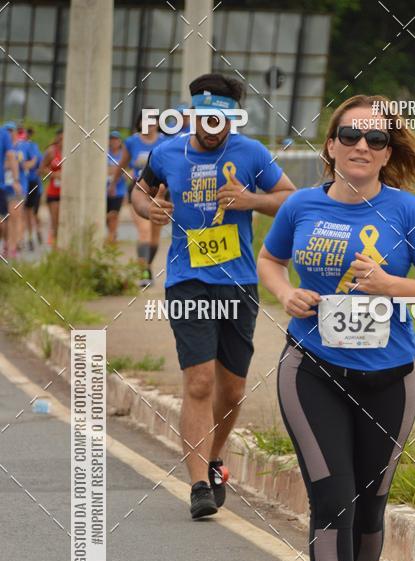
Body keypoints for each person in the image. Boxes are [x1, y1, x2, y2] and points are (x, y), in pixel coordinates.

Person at [258, 95, 415, 561]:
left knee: (370, 507)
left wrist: (390, 285)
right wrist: (285, 293)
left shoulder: (407, 211)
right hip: (312, 369)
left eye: (375, 139)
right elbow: (270, 260)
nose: (361, 147)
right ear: (331, 145)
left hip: (389, 378)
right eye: (350, 136)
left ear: (387, 152)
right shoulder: (301, 205)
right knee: (333, 498)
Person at [132, 72, 295, 519]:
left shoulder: (251, 153)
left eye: (220, 120)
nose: (212, 127)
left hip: (238, 281)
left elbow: (289, 197)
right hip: (187, 280)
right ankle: (199, 485)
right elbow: (139, 192)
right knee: (200, 381)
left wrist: (251, 200)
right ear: (192, 115)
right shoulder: (167, 153)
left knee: (234, 389)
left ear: (232, 119)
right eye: (204, 118)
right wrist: (149, 208)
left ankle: (214, 455)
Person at [113, 113, 164, 286]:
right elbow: (122, 164)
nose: (149, 125)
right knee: (144, 231)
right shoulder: (132, 142)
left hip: (160, 193)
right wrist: (113, 184)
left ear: (158, 124)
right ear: (140, 123)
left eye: (153, 121)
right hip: (138, 191)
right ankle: (144, 273)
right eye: (145, 121)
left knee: (155, 236)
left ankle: (147, 267)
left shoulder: (165, 142)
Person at [0, 122, 22, 258]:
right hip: (4, 186)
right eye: (8, 130)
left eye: (12, 130)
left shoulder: (21, 147)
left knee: (14, 217)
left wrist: (16, 180)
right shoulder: (5, 143)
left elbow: (28, 164)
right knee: (5, 219)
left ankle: (12, 247)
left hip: (15, 188)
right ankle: (7, 245)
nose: (10, 133)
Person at [20, 128, 43, 250]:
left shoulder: (33, 147)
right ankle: (26, 239)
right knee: (25, 213)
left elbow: (37, 164)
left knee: (32, 213)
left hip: (34, 184)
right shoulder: (18, 146)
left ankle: (34, 233)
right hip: (24, 184)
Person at [40, 129, 63, 245]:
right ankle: (55, 244)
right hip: (53, 192)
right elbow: (42, 169)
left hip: (67, 192)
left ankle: (61, 243)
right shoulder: (51, 151)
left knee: (63, 221)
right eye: (60, 138)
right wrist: (54, 174)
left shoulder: (72, 151)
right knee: (55, 220)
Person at [106, 130, 126, 244]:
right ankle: (112, 233)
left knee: (114, 214)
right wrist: (118, 170)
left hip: (119, 190)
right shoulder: (105, 153)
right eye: (111, 139)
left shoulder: (124, 154)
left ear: (120, 141)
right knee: (106, 216)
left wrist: (116, 171)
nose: (114, 142)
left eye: (116, 140)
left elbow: (128, 171)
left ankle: (112, 237)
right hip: (104, 190)